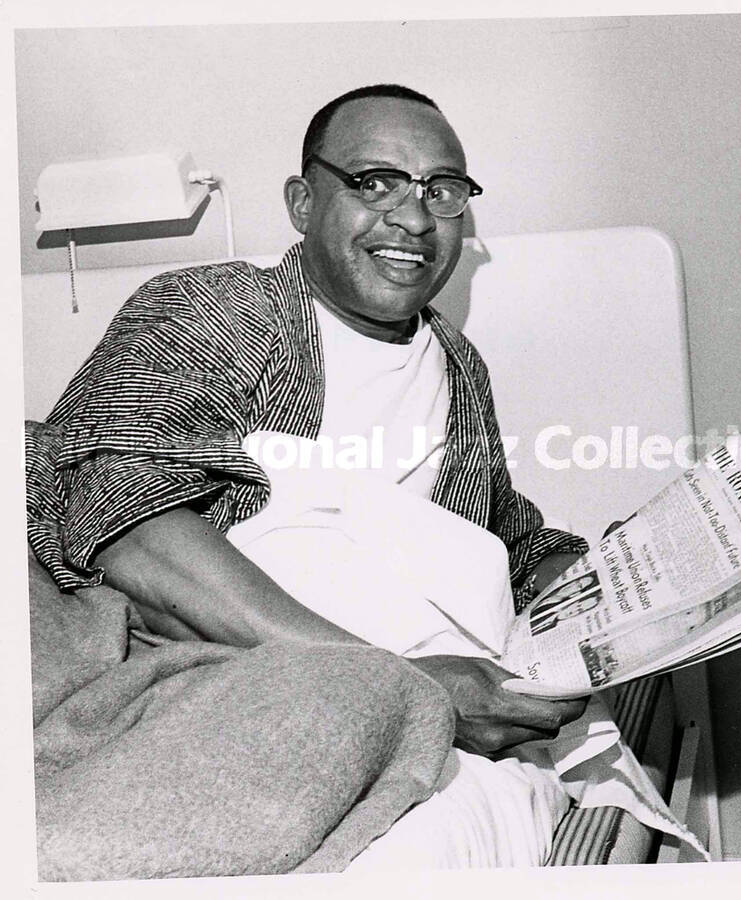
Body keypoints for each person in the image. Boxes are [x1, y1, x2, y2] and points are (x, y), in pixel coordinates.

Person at [26, 84, 591, 759]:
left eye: (441, 191)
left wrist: (599, 577)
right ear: (303, 203)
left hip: (341, 679)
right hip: (201, 663)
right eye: (376, 183)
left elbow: (501, 537)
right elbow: (129, 528)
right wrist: (405, 686)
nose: (414, 220)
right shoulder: (217, 309)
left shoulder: (459, 368)